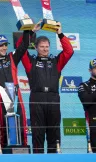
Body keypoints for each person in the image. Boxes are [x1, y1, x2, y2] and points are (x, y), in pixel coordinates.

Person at [21, 20, 74, 153]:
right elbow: (20, 49)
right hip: (37, 99)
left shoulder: (56, 62)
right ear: (36, 47)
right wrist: (30, 32)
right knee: (38, 135)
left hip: (53, 98)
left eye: (47, 47)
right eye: (42, 46)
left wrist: (60, 34)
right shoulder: (31, 62)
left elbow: (69, 51)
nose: (45, 49)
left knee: (54, 134)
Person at [0, 30, 32, 149]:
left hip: (15, 96)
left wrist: (28, 29)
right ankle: (3, 155)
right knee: (3, 131)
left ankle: (23, 155)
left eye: (5, 45)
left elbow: (24, 46)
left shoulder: (12, 57)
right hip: (0, 98)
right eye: (0, 45)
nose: (4, 48)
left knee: (21, 127)